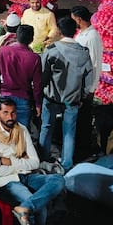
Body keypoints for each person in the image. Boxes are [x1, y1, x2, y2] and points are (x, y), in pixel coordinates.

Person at [0, 98, 65, 225]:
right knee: (41, 209)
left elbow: (35, 163)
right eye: (5, 113)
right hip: (6, 181)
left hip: (26, 175)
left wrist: (9, 161)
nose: (10, 117)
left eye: (13, 112)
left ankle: (25, 208)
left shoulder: (22, 130)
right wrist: (21, 161)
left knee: (58, 180)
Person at [39, 17, 95, 171]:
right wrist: (82, 96)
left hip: (51, 98)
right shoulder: (83, 53)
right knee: (69, 132)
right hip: (73, 99)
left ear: (60, 31)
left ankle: (43, 158)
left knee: (46, 127)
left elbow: (43, 76)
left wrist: (39, 92)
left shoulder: (52, 51)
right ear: (75, 30)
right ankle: (67, 164)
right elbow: (88, 78)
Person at [0, 25, 43, 131]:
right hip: (23, 99)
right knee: (22, 134)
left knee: (5, 132)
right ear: (31, 39)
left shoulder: (2, 51)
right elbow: (37, 85)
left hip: (5, 96)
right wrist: (38, 104)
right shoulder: (35, 58)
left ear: (17, 36)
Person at [71, 5, 104, 160]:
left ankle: (83, 151)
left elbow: (95, 64)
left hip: (86, 87)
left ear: (78, 19)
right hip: (79, 85)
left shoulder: (92, 37)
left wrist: (91, 89)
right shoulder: (83, 34)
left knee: (84, 120)